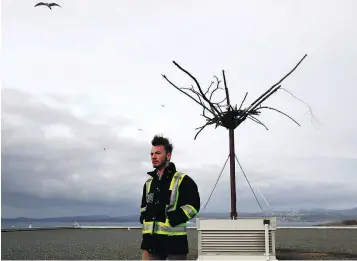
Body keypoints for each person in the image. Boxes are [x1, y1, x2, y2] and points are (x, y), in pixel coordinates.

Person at [140, 134, 200, 260]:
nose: (153, 157)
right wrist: (144, 218)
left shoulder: (183, 180)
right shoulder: (149, 183)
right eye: (151, 154)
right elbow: (144, 208)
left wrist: (173, 218)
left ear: (168, 155)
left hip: (174, 245)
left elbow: (193, 206)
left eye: (158, 153)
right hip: (151, 244)